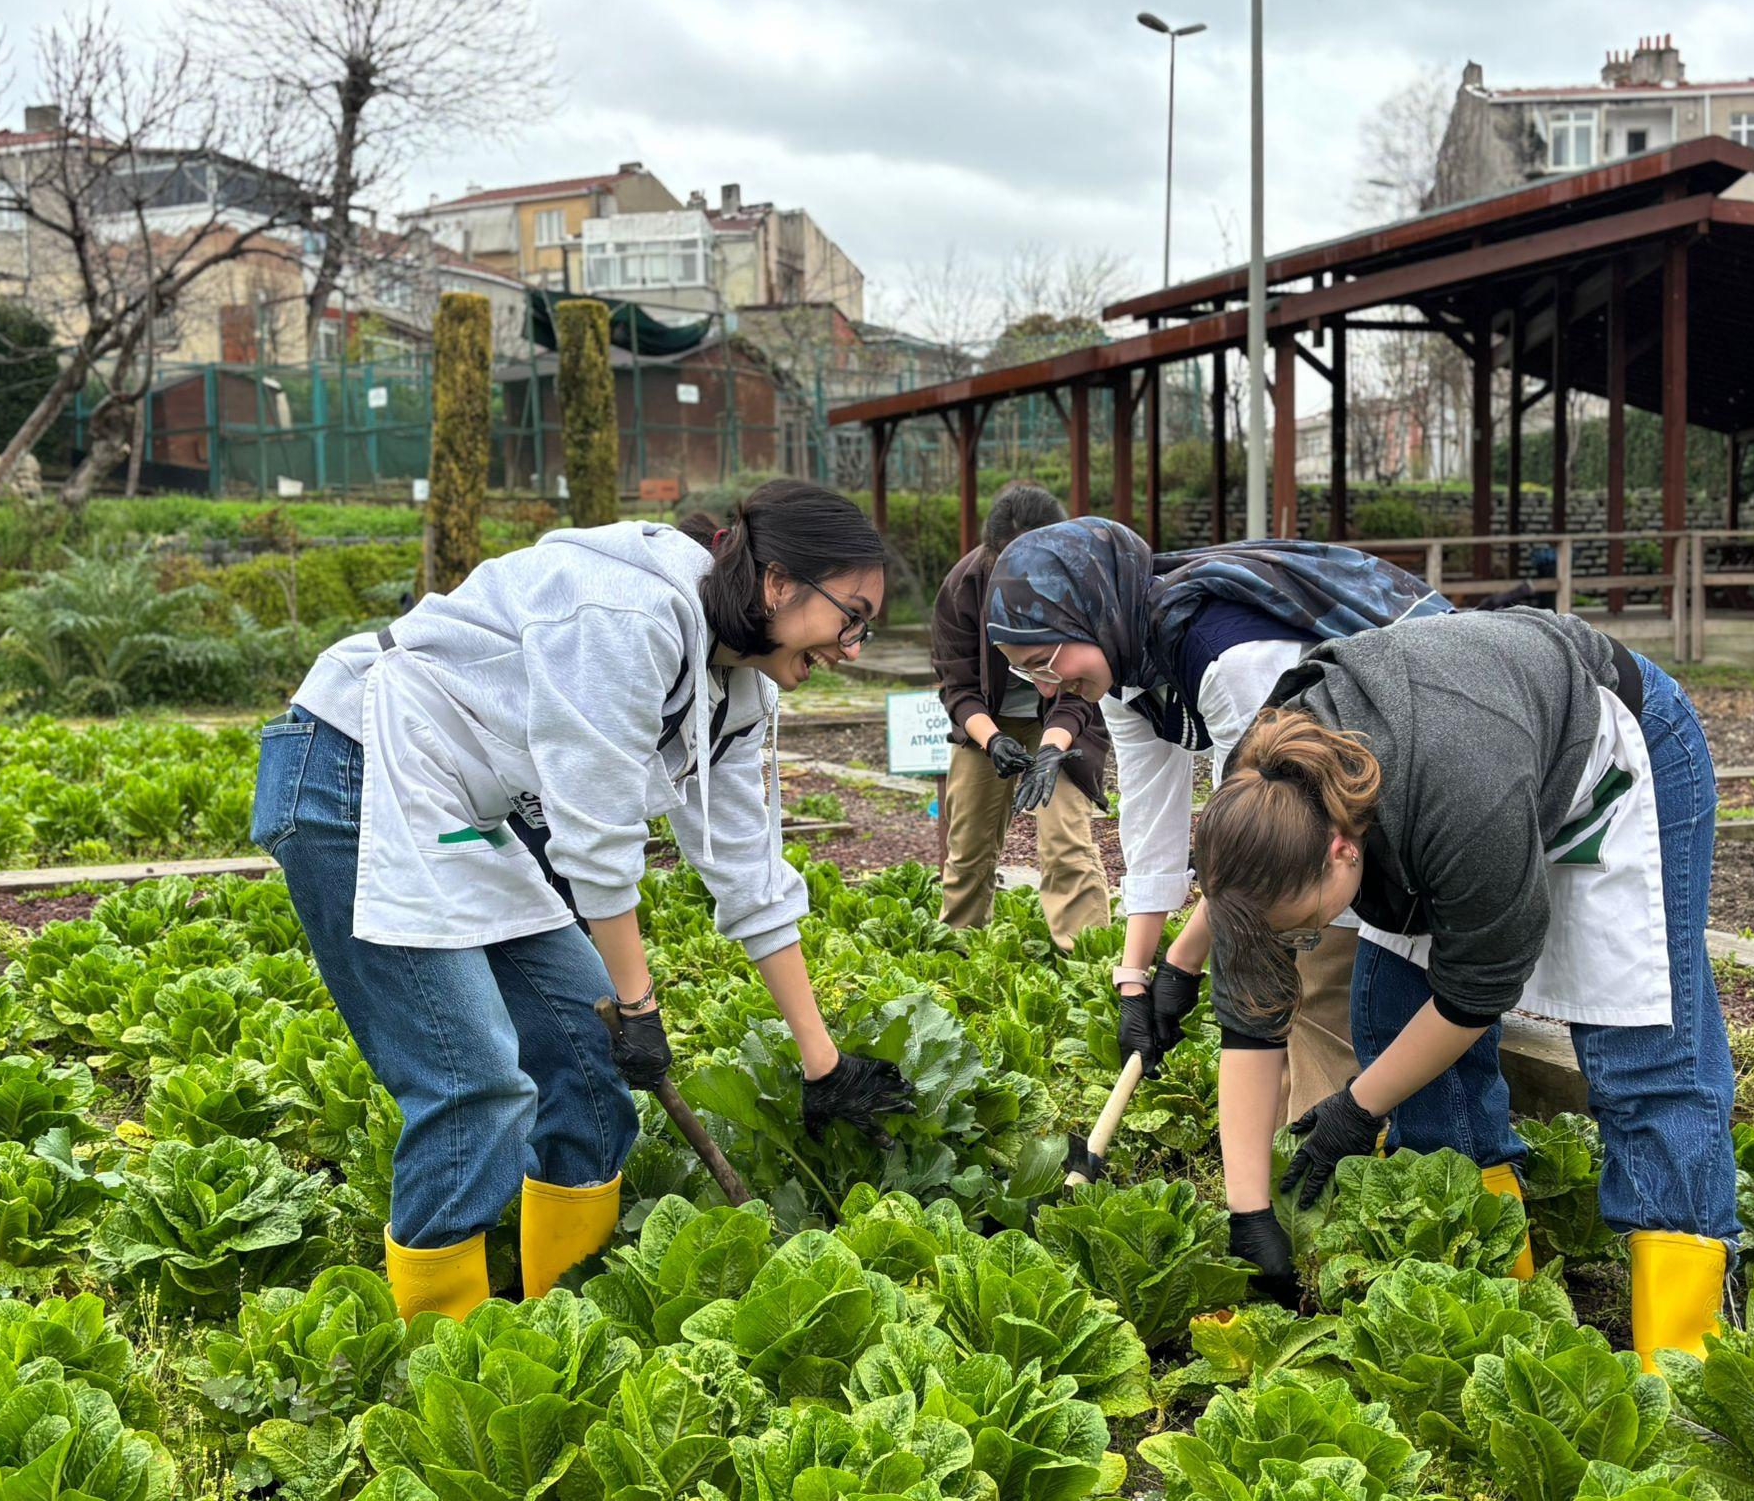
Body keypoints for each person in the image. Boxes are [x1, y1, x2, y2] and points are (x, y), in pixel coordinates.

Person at [252, 479, 916, 1321]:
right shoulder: (626, 615)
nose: (853, 646)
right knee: (473, 1085)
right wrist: (638, 1008)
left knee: (586, 1060)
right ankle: (436, 1354)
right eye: (851, 616)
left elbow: (749, 874)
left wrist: (824, 1065)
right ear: (780, 584)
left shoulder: (742, 693)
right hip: (354, 764)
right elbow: (596, 842)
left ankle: (562, 1325)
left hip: (460, 805)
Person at [1194, 607, 1735, 1372]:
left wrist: (1359, 1106)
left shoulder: (1460, 801)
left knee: (1645, 1051)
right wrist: (1249, 1212)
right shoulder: (1259, 799)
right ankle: (1497, 1306)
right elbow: (1249, 1009)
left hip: (1611, 753)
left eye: (1308, 925)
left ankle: (1685, 1361)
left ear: (1342, 850)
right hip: (1451, 770)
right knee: (1389, 1015)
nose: (1304, 939)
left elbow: (1476, 993)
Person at [984, 516, 1446, 1119]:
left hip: (1405, 779)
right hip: (1320, 808)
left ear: (1092, 613)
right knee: (1277, 967)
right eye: (1027, 673)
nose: (1048, 689)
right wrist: (1135, 979)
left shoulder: (1228, 659)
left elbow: (1259, 834)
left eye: (1045, 660)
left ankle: (1331, 1155)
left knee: (1320, 980)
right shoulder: (1124, 670)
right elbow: (1151, 821)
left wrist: (1181, 965)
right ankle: (1293, 1142)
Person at [931, 485, 1111, 951]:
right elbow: (958, 686)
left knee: (1064, 839)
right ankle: (958, 952)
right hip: (987, 723)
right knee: (968, 844)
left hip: (1063, 720)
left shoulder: (1079, 583)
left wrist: (1052, 750)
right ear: (991, 554)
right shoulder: (962, 587)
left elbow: (1083, 686)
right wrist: (992, 741)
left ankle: (1085, 960)